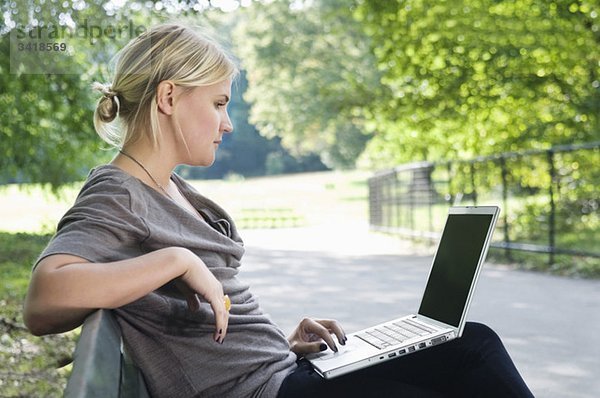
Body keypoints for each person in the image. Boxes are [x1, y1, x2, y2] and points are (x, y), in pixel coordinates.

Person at [23, 23, 534, 398]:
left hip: (280, 373)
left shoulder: (169, 187)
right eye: (219, 103)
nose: (227, 124)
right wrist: (177, 259)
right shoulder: (119, 192)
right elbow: (45, 299)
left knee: (472, 344)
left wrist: (282, 345)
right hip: (264, 394)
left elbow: (208, 327)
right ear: (169, 97)